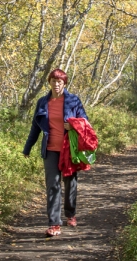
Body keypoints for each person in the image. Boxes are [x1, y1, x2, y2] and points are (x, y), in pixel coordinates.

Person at [23, 68, 88, 237]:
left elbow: (85, 122)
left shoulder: (73, 100)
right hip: (50, 150)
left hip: (69, 150)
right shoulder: (42, 102)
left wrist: (73, 125)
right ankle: (54, 224)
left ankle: (70, 213)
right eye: (54, 81)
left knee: (70, 183)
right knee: (53, 185)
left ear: (64, 83)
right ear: (49, 82)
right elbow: (35, 127)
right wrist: (28, 147)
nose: (56, 84)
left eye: (60, 81)